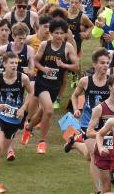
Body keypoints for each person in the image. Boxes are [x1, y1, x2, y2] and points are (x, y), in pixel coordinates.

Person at [28, 18, 78, 154]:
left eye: (62, 33)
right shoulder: (45, 45)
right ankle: (42, 142)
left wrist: (64, 65)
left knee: (42, 112)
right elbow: (36, 61)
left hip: (55, 85)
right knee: (49, 110)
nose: (59, 36)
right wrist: (43, 69)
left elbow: (76, 66)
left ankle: (28, 127)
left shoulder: (68, 47)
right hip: (42, 82)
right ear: (51, 33)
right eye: (56, 33)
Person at [0, 52, 33, 194]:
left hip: (14, 119)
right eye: (11, 63)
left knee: (4, 150)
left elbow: (31, 93)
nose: (14, 65)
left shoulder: (23, 78)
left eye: (16, 63)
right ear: (4, 64)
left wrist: (23, 108)